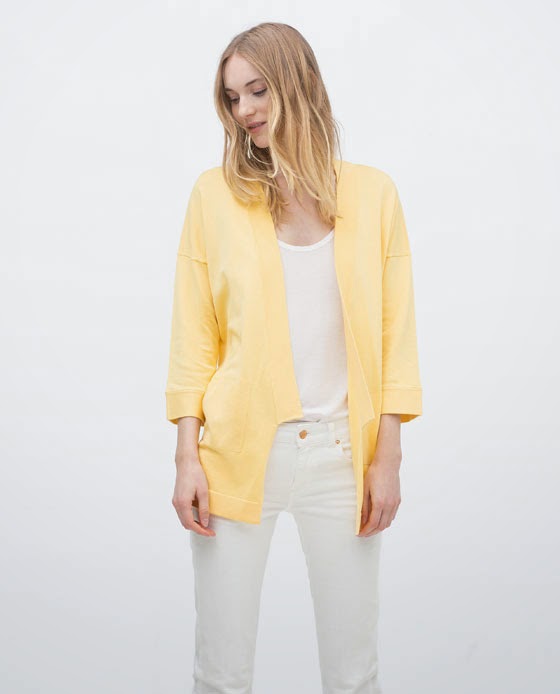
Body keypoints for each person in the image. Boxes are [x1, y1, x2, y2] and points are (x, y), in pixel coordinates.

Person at [165, 21, 422, 694]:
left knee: (353, 672)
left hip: (343, 457)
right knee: (221, 672)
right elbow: (194, 335)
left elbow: (396, 335)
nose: (244, 110)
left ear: (298, 83)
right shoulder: (214, 196)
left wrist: (388, 455)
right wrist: (187, 455)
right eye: (232, 98)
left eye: (258, 90)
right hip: (236, 452)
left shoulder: (374, 194)